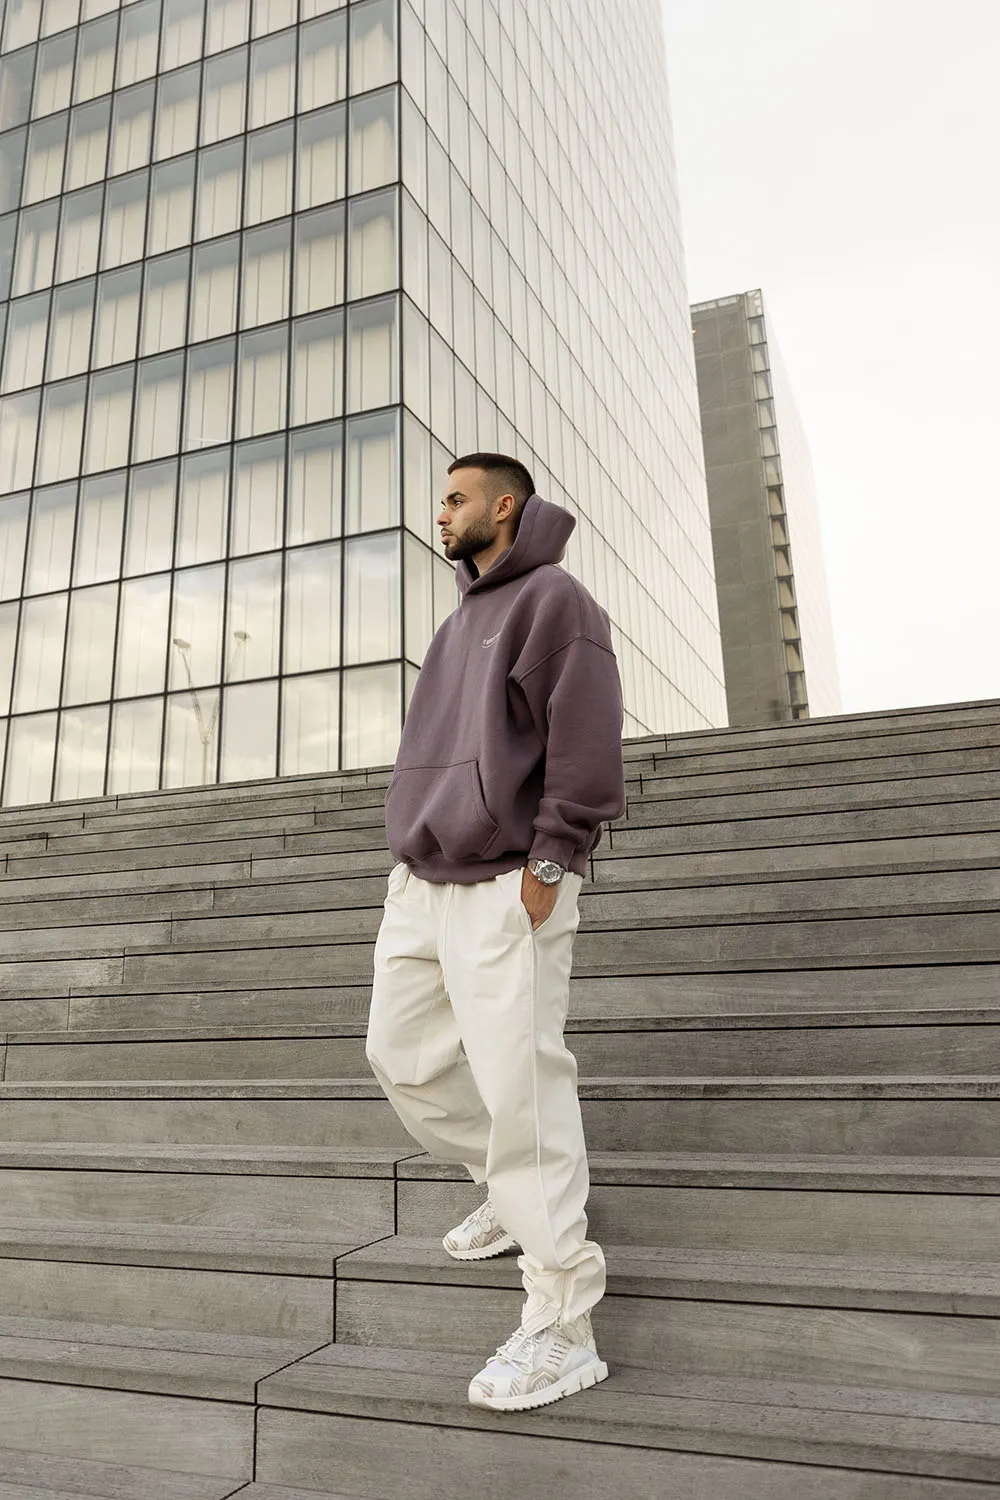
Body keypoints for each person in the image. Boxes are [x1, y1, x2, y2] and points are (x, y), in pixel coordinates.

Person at [366, 452, 626, 1411]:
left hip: (511, 877)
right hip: (426, 877)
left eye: (455, 498)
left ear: (503, 505)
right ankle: (511, 1191)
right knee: (400, 1056)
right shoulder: (456, 621)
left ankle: (563, 1324)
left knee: (522, 1088)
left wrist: (552, 857)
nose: (441, 513)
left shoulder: (555, 600)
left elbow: (587, 731)